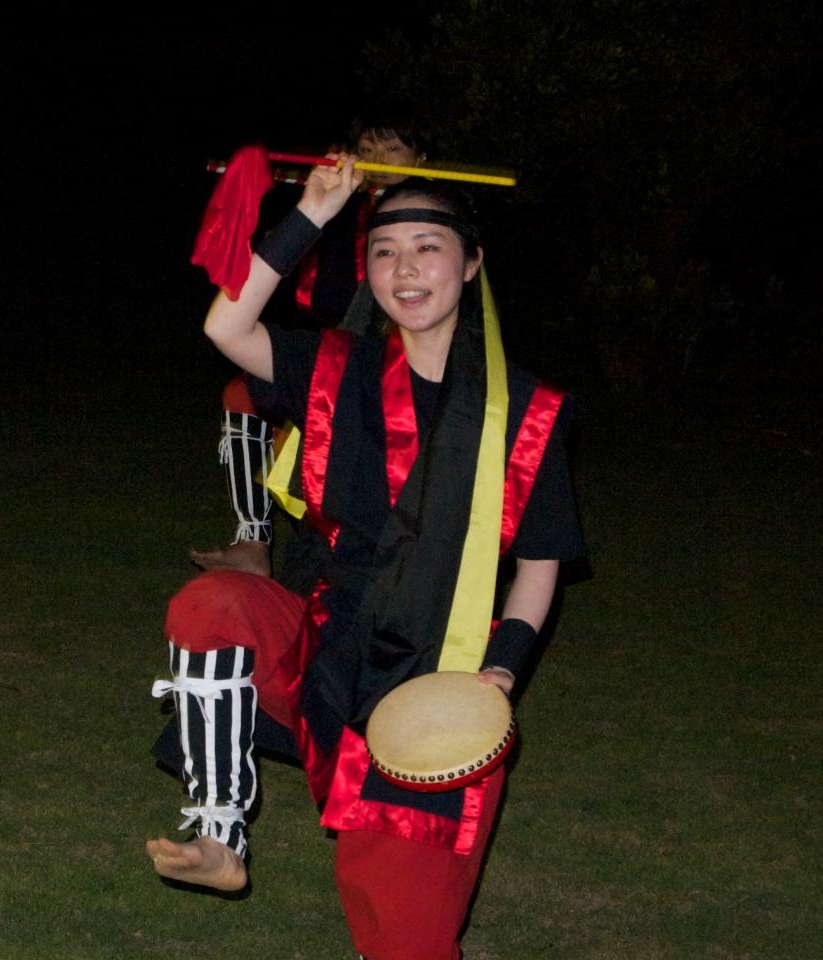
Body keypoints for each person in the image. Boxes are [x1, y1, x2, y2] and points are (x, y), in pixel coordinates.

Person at [148, 158, 583, 959]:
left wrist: (503, 669)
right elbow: (226, 328)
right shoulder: (335, 368)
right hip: (320, 648)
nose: (405, 269)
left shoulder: (527, 410)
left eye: (427, 247)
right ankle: (218, 830)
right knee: (212, 603)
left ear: (471, 263)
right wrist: (311, 215)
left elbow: (541, 562)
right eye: (385, 251)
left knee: (405, 936)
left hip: (432, 684)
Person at [188, 114, 427, 580]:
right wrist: (315, 212)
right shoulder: (343, 208)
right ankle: (254, 539)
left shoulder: (435, 219)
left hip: (400, 364)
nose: (377, 160)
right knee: (241, 393)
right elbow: (312, 296)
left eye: (392, 149)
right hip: (333, 352)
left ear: (420, 159)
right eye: (367, 149)